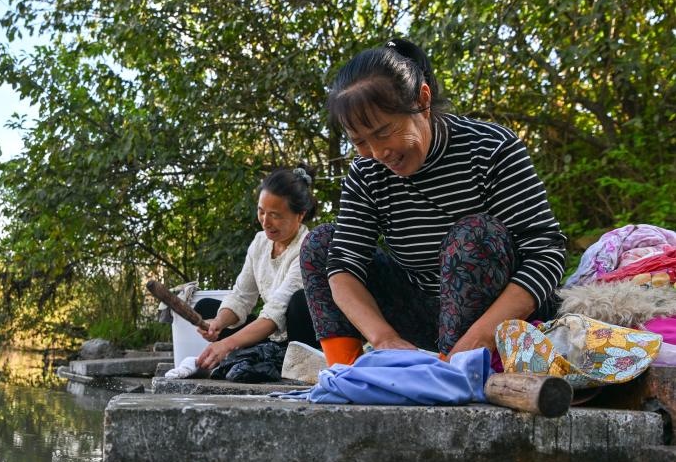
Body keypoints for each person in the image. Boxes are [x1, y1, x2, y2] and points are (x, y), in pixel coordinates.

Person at [301, 38, 566, 367]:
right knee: (322, 244)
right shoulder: (366, 172)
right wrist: (384, 339)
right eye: (360, 142)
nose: (379, 153)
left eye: (384, 132)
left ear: (422, 100)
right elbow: (344, 265)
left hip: (501, 320)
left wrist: (482, 336)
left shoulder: (490, 148)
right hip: (425, 313)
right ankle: (349, 372)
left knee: (475, 234)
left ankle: (453, 373)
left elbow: (546, 255)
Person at [194, 167, 319, 370]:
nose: (265, 222)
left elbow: (277, 311)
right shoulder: (260, 241)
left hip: (300, 336)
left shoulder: (308, 247)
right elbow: (242, 296)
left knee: (299, 301)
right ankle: (264, 355)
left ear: (300, 215)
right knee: (206, 307)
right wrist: (218, 322)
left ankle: (290, 363)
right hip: (271, 337)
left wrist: (227, 344)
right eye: (261, 211)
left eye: (275, 215)